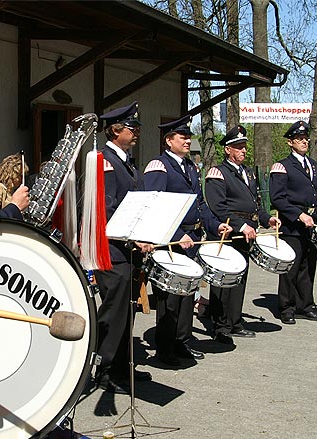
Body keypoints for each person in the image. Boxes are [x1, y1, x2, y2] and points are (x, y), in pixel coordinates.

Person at [143, 116, 232, 366]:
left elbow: (200, 204)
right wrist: (175, 235)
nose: (187, 140)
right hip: (171, 243)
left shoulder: (190, 167)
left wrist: (215, 225)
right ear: (168, 140)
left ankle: (182, 342)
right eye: (182, 137)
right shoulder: (159, 166)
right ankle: (165, 349)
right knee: (169, 299)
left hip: (190, 239)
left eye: (188, 136)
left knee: (187, 295)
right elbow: (154, 207)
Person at [92, 102, 155, 393]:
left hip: (129, 251)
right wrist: (133, 237)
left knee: (125, 314)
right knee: (114, 314)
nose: (137, 132)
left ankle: (121, 367)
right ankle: (105, 372)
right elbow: (107, 209)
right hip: (113, 252)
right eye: (133, 127)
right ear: (117, 130)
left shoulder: (126, 160)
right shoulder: (104, 160)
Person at [204, 125, 281, 344]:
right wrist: (240, 226)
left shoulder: (247, 172)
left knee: (240, 278)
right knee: (224, 280)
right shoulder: (217, 173)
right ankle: (220, 326)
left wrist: (267, 219)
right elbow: (218, 207)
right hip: (229, 232)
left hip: (247, 231)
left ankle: (235, 322)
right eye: (238, 147)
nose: (243, 150)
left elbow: (255, 204)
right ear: (227, 150)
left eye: (244, 146)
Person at [269, 121, 317, 324]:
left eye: (305, 138)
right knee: (290, 268)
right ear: (290, 142)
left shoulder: (312, 164)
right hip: (293, 224)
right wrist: (299, 215)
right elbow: (278, 198)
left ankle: (305, 305)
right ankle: (286, 308)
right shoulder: (282, 166)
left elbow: (315, 195)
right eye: (299, 139)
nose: (304, 141)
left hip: (312, 224)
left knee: (308, 267)